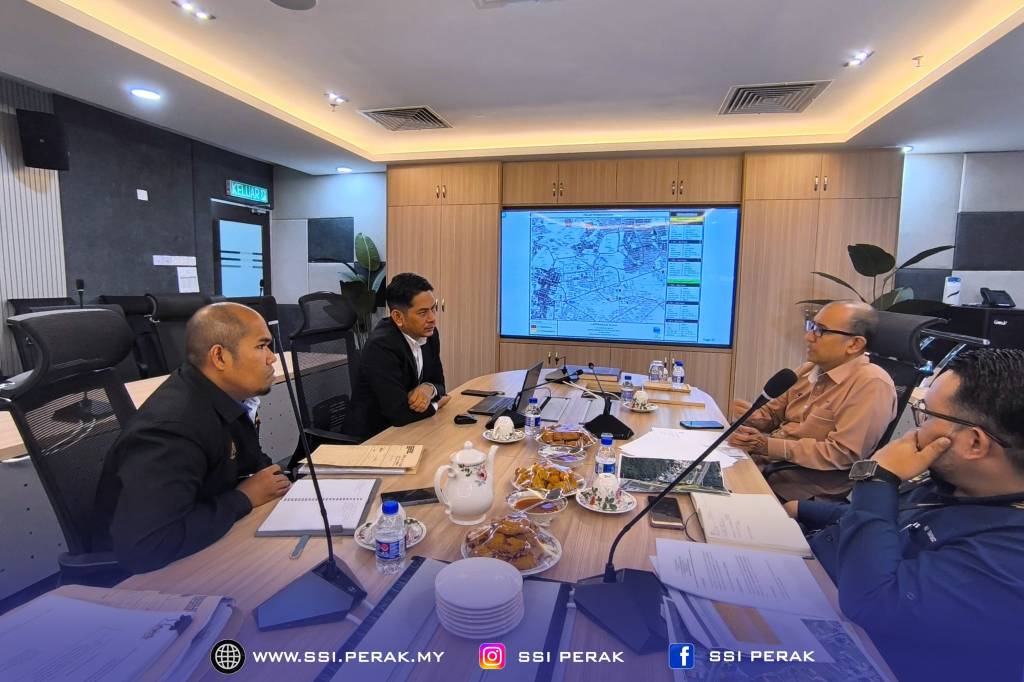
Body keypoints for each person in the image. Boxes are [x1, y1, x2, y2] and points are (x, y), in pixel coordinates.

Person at [785, 349, 1024, 680]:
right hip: (809, 583)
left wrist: (877, 478)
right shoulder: (958, 483)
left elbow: (874, 603)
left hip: (852, 651)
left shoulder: (1010, 555)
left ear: (974, 443)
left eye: (926, 415)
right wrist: (803, 509)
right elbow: (893, 521)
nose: (915, 431)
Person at [94, 302, 290, 573]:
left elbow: (255, 466)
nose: (272, 358)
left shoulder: (223, 397)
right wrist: (243, 498)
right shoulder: (171, 430)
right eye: (261, 346)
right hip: (141, 579)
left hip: (205, 541)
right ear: (220, 357)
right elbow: (147, 546)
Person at [727, 300, 897, 500]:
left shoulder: (871, 384)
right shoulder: (810, 368)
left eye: (820, 331)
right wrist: (752, 417)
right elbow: (773, 415)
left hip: (798, 490)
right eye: (812, 326)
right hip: (763, 466)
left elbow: (842, 453)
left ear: (854, 344)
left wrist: (767, 446)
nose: (808, 337)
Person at [344, 273, 451, 439]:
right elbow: (399, 413)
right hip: (372, 438)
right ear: (398, 317)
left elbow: (440, 385)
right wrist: (436, 404)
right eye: (423, 313)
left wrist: (428, 388)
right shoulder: (381, 346)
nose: (432, 319)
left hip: (409, 429)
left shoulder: (430, 334)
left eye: (433, 309)